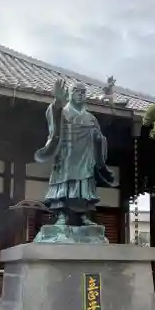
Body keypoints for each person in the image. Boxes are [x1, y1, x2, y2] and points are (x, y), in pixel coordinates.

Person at [34, 79, 116, 226]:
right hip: (66, 157)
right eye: (77, 91)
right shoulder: (62, 112)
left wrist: (98, 139)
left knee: (84, 188)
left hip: (85, 159)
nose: (81, 94)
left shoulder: (91, 118)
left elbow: (99, 138)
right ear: (70, 94)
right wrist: (57, 102)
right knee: (63, 188)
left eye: (83, 92)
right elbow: (53, 124)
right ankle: (61, 217)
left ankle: (84, 217)